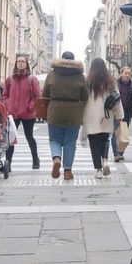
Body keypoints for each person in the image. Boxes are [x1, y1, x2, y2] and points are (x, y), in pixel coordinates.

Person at [43, 51, 88, 181]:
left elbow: (45, 93)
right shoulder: (79, 76)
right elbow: (85, 96)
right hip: (74, 112)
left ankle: (56, 158)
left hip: (55, 111)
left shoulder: (52, 74)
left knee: (54, 139)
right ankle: (67, 171)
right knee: (70, 142)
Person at [82, 58, 124, 179]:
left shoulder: (87, 82)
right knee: (105, 140)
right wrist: (120, 115)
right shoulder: (110, 81)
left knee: (94, 144)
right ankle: (105, 160)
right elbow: (117, 99)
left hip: (91, 116)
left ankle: (98, 170)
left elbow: (83, 100)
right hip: (106, 115)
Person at [4, 56, 42, 171]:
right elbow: (5, 94)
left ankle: (35, 159)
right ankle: (8, 163)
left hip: (27, 114)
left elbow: (37, 96)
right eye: (19, 62)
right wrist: (7, 104)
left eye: (23, 62)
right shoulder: (10, 79)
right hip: (13, 113)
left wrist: (30, 106)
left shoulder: (32, 79)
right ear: (16, 64)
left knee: (29, 136)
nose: (21, 64)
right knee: (11, 138)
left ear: (26, 64)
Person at [111, 66, 132, 162]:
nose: (127, 75)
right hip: (116, 112)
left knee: (123, 133)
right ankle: (116, 154)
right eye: (126, 73)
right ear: (121, 73)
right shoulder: (115, 84)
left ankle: (121, 152)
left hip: (127, 113)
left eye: (129, 73)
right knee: (114, 133)